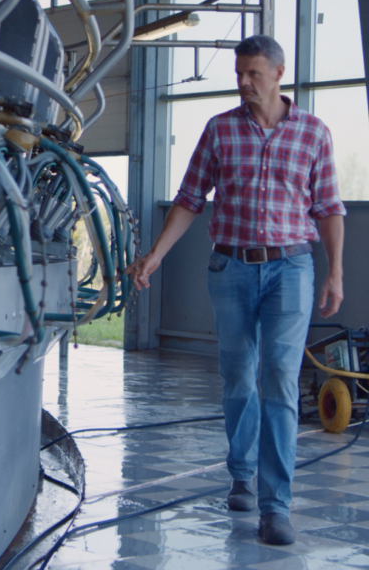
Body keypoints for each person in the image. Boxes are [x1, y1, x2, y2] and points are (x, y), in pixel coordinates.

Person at [127, 35, 345, 546]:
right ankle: (241, 473)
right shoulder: (219, 130)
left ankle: (276, 507)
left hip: (291, 267)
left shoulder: (314, 133)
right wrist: (156, 254)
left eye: (253, 74)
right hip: (231, 267)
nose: (243, 83)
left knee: (280, 379)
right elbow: (189, 199)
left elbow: (330, 208)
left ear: (278, 73)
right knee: (238, 377)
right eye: (239, 73)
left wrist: (335, 272)